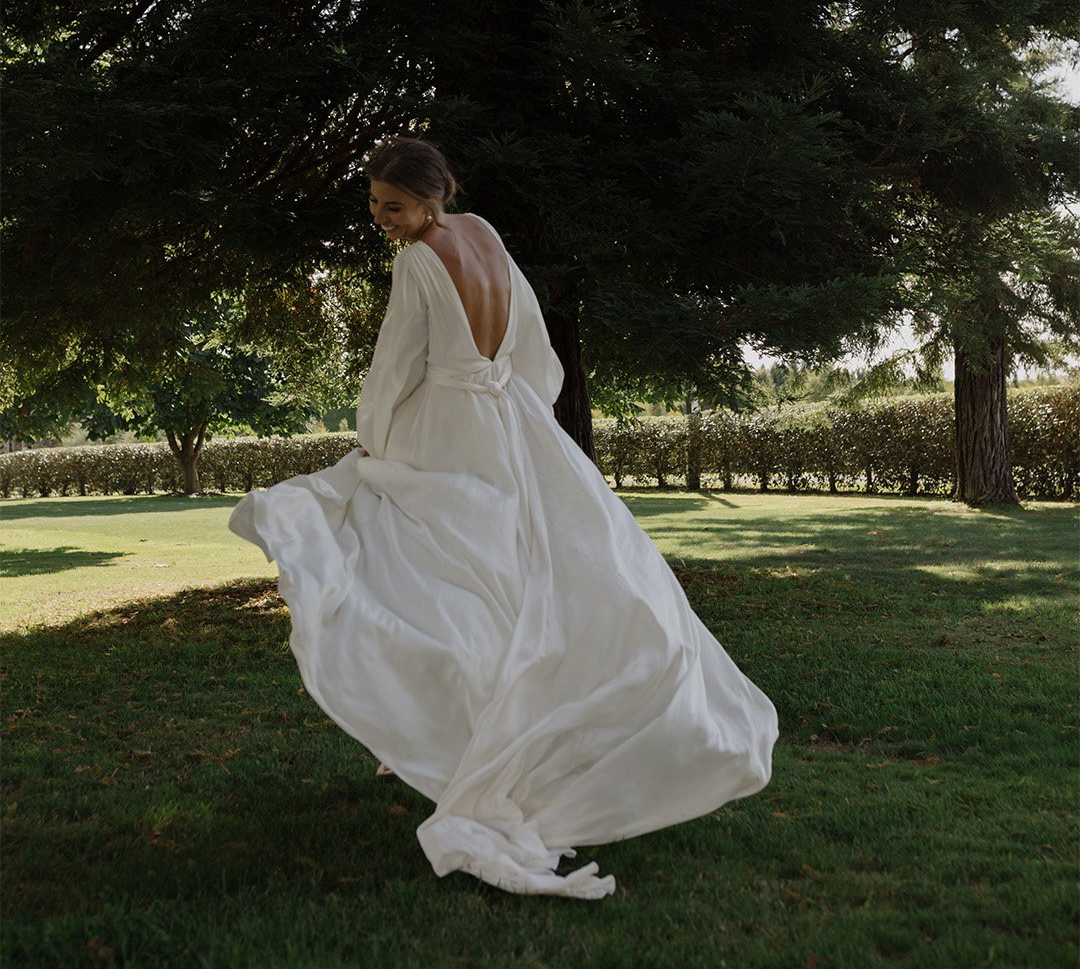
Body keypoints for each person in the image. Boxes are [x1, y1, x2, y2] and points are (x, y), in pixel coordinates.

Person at [228, 137, 778, 900]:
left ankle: (454, 731)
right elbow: (533, 344)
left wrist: (374, 450)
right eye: (374, 205)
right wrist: (520, 406)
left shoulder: (419, 261)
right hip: (509, 417)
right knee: (520, 577)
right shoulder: (482, 232)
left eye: (392, 206)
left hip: (446, 426)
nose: (381, 219)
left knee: (429, 572)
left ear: (430, 196)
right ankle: (484, 730)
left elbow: (396, 365)